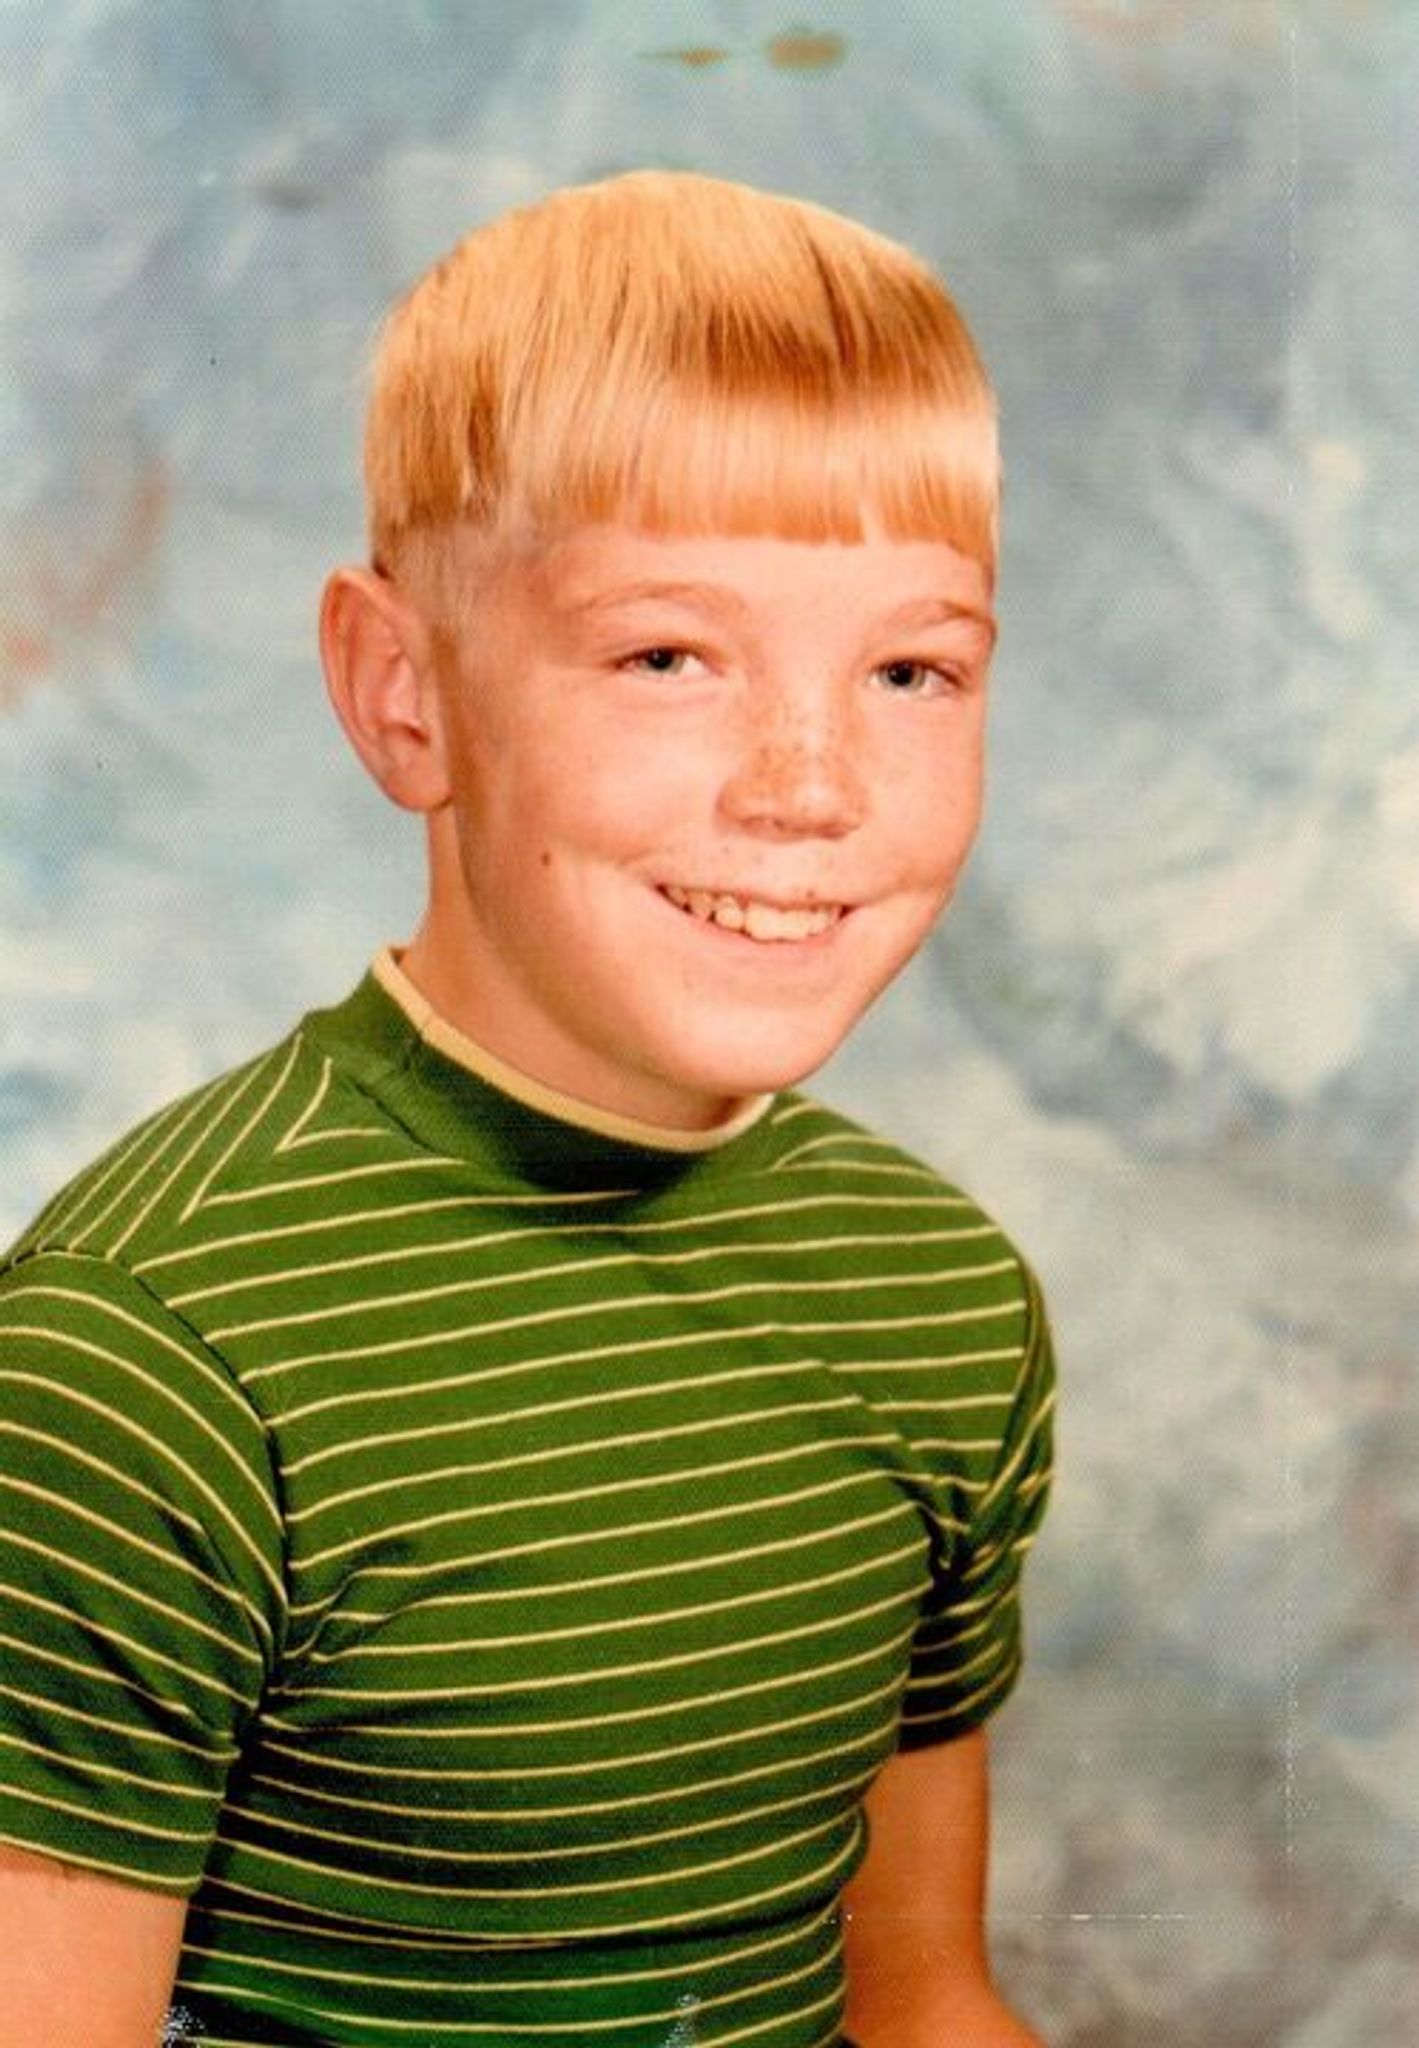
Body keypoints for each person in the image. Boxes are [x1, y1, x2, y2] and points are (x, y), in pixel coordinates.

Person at [0, 170, 1055, 2046]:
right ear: (403, 692)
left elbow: (921, 1995)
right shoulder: (144, 1364)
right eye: (668, 657)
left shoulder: (939, 1296)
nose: (810, 787)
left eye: (911, 669)